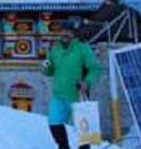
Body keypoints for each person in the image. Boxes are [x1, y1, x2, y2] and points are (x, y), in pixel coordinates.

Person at [42, 16, 102, 149]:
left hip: (77, 96)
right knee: (54, 123)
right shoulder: (55, 49)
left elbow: (95, 68)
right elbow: (50, 71)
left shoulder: (82, 49)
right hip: (59, 96)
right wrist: (45, 67)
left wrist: (87, 81)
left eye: (68, 31)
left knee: (83, 129)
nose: (65, 34)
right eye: (62, 31)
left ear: (73, 34)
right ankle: (63, 146)